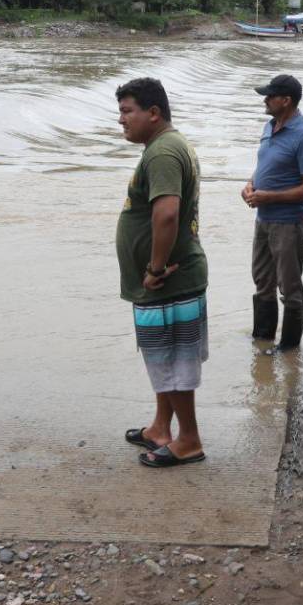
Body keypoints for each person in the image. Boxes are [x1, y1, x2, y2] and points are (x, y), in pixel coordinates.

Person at [114, 77, 210, 467]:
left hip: (170, 278)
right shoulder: (165, 146)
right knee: (163, 357)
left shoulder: (163, 153)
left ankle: (188, 440)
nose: (121, 120)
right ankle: (160, 428)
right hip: (170, 279)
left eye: (127, 111)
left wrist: (153, 269)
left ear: (153, 113)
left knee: (172, 360)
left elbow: (167, 213)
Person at [241, 74, 303, 351]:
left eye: (270, 96)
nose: (265, 100)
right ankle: (263, 341)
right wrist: (251, 184)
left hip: (288, 223)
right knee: (262, 280)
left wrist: (269, 196)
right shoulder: (270, 126)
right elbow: (266, 165)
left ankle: (289, 350)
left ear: (286, 101)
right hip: (263, 218)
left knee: (289, 288)